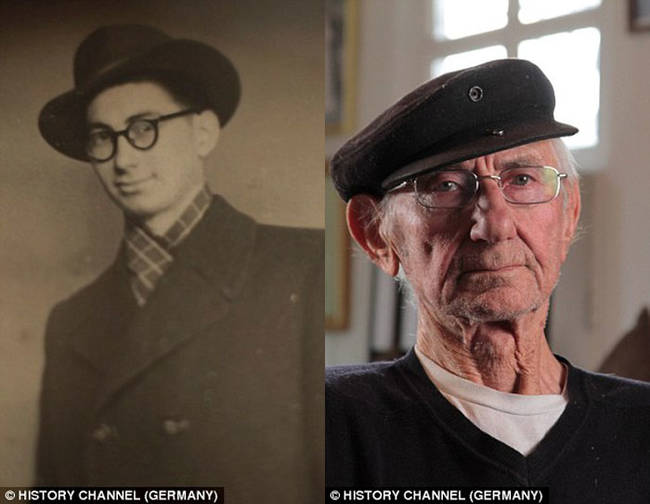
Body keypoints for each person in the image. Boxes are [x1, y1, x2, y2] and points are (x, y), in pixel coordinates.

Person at [326, 59, 650, 501]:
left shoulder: (639, 423)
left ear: (570, 212)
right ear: (376, 235)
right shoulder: (326, 424)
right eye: (445, 186)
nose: (495, 224)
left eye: (522, 179)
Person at [36, 24, 323, 502]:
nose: (123, 159)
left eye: (144, 128)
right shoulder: (70, 322)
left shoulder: (303, 269)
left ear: (203, 131)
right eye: (102, 138)